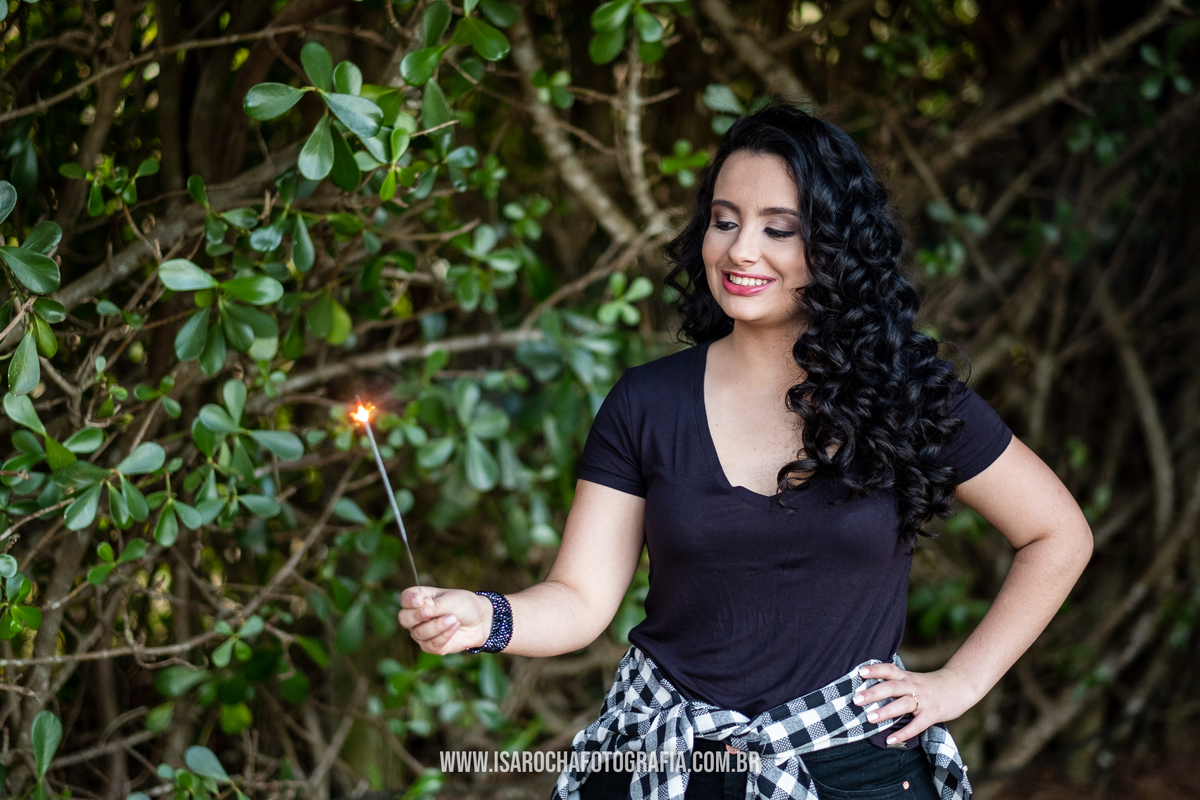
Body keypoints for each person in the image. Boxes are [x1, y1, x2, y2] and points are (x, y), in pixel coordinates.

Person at [397, 105, 1093, 800]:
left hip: (855, 770)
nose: (740, 251)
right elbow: (580, 599)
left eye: (778, 229)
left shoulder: (908, 396)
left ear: (836, 247)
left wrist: (961, 682)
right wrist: (487, 618)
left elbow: (1057, 534)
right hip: (671, 767)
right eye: (724, 221)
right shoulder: (647, 403)